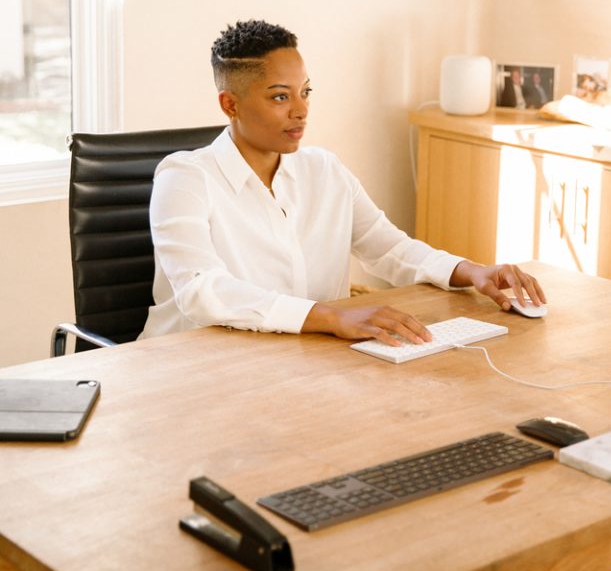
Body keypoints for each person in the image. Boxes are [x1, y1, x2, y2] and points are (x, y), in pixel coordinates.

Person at [140, 20, 546, 347]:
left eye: (305, 92)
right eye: (280, 97)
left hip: (302, 357)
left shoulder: (325, 170)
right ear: (231, 104)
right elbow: (201, 291)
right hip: (193, 367)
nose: (301, 110)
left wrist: (470, 271)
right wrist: (331, 316)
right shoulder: (185, 178)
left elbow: (388, 248)